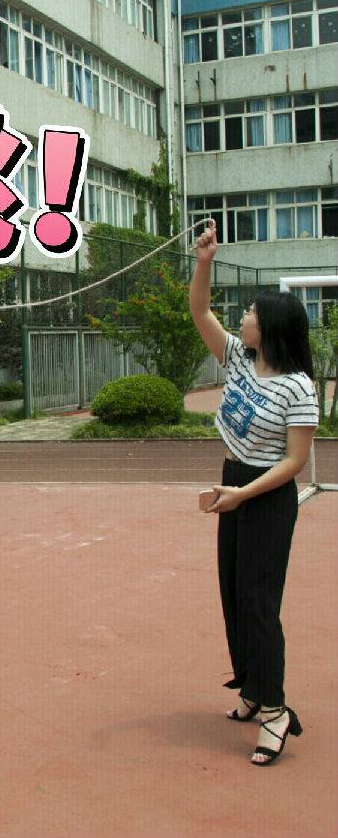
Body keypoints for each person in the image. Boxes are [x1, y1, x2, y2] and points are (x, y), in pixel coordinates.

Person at [189, 220, 319, 766]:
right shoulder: (238, 358)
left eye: (249, 314)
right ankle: (252, 687)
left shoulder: (298, 386)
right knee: (233, 594)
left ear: (269, 329)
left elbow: (295, 462)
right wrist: (204, 261)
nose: (241, 318)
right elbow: (200, 311)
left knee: (259, 604)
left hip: (267, 495)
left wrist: (243, 495)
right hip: (234, 478)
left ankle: (276, 712)